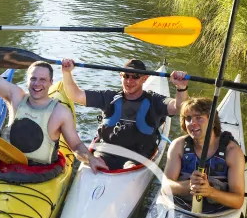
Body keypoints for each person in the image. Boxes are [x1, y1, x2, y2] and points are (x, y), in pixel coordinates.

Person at [0, 22, 106, 175]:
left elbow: (76, 145)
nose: (37, 84)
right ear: (27, 81)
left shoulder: (61, 112)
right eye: (33, 79)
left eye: (43, 80)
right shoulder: (15, 97)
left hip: (41, 173)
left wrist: (90, 159)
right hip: (6, 165)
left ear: (51, 83)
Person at [60, 56, 189, 170]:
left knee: (130, 167)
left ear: (145, 78)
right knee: (97, 159)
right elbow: (75, 95)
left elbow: (179, 107)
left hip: (137, 155)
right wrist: (66, 72)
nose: (129, 81)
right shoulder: (109, 97)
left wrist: (181, 87)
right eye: (126, 76)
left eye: (135, 77)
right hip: (105, 151)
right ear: (120, 76)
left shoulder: (155, 101)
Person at [164, 97, 245, 213]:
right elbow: (166, 185)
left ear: (212, 122)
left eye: (199, 118)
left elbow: (238, 200)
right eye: (188, 118)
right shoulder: (178, 146)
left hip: (218, 211)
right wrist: (189, 186)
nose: (192, 123)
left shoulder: (232, 152)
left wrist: (210, 191)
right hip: (181, 206)